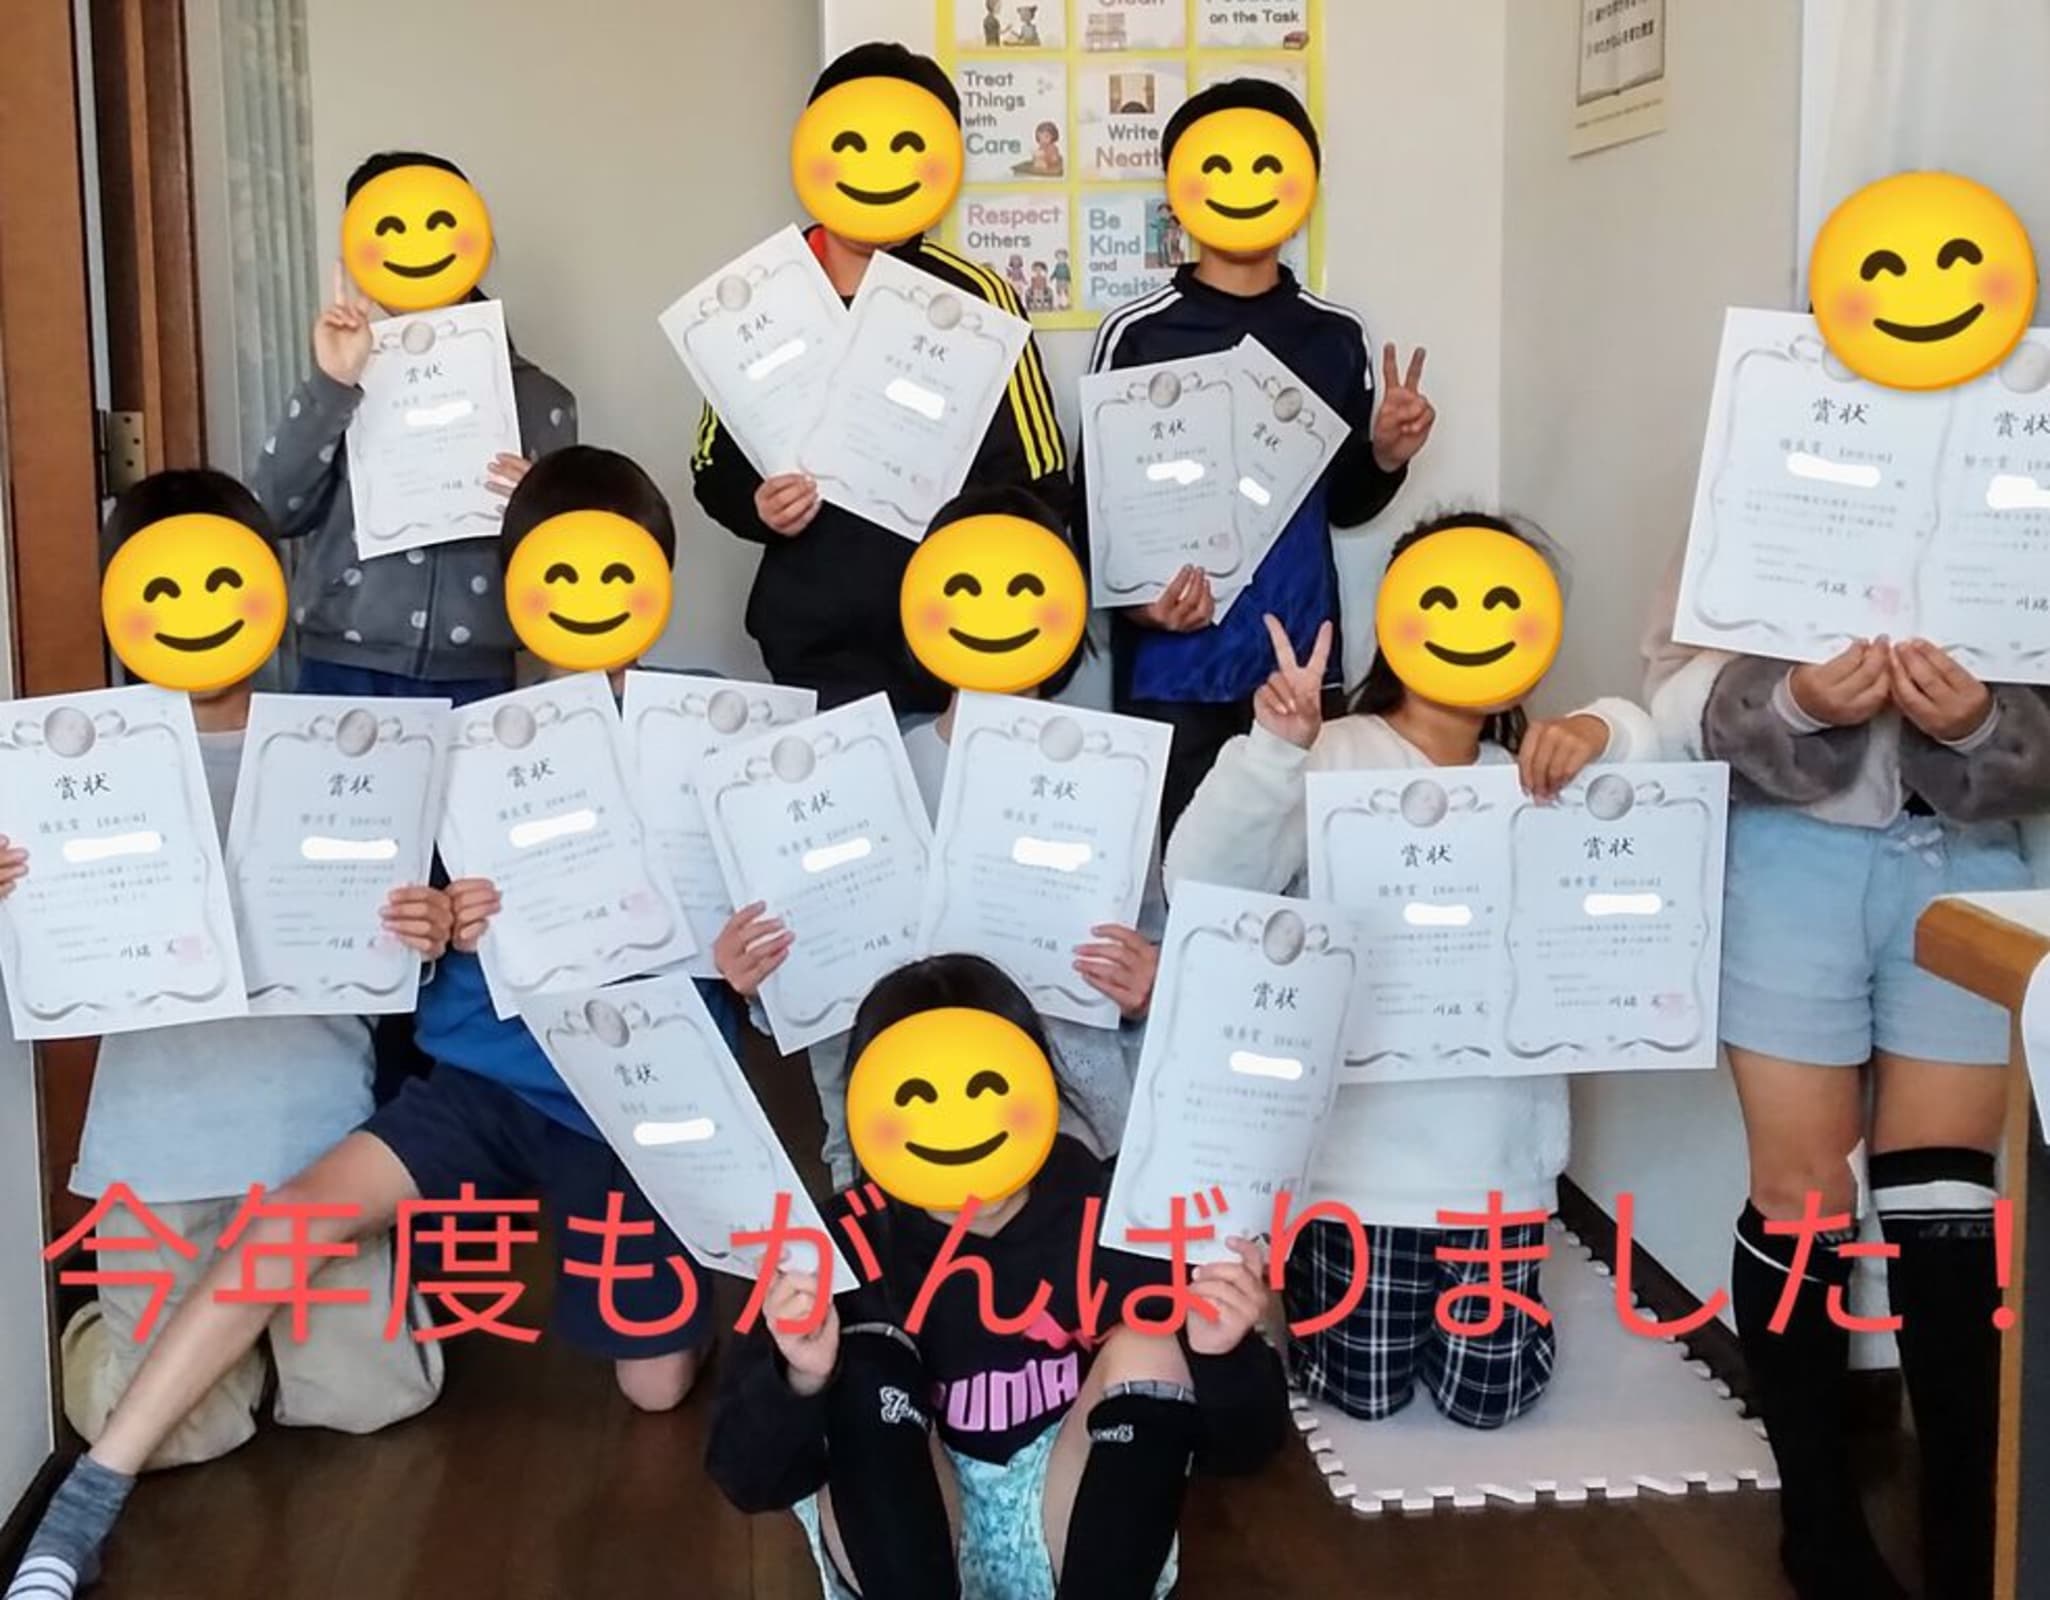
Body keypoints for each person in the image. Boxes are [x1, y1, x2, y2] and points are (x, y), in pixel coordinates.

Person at [6, 449, 717, 1600]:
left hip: (630, 1100)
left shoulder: (706, 734)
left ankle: (661, 1273)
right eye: (556, 571)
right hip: (482, 1079)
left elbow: (747, 932)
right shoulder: (447, 739)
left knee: (649, 1386)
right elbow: (390, 913)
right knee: (285, 1230)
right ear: (513, 585)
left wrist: (737, 969)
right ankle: (81, 1508)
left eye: (614, 568)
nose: (586, 595)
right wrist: (444, 920)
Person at [1165, 513, 1660, 1434]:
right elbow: (1200, 882)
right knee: (1358, 1393)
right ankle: (1285, 1289)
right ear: (1395, 621)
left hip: (1494, 1170)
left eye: (1502, 601)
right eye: (1443, 599)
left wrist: (1604, 728)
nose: (1471, 623)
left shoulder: (1538, 774)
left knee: (1490, 1402)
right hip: (1355, 1179)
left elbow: (1664, 770)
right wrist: (1276, 749)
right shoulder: (1332, 752)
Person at [1646, 554, 2041, 1600]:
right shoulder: (1757, 470)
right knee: (1801, 1194)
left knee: (1947, 1195)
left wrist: (1983, 728)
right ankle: (1816, 1521)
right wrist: (1790, 703)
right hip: (1789, 853)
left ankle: (1971, 1532)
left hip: (1972, 853)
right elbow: (1672, 686)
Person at [705, 955, 1289, 1600]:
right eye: (918, 1098)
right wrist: (800, 1376)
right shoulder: (834, 1248)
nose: (958, 1124)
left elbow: (1247, 1448)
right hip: (909, 1536)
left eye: (986, 1090)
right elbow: (748, 1479)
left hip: (1071, 1529)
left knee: (1150, 1343)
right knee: (860, 1359)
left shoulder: (1117, 1220)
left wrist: (1220, 1354)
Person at [717, 486, 1161, 1186]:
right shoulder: (862, 773)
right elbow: (819, 1002)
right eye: (964, 587)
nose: (994, 610)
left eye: (1025, 586)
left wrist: (1147, 988)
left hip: (1081, 1160)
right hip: (904, 1160)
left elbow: (1152, 968)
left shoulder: (1118, 776)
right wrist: (758, 985)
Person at [1083, 80, 1435, 837]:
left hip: (1297, 654)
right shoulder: (1137, 333)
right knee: (1185, 864)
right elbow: (1096, 512)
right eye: (1216, 165)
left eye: (1268, 164)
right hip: (1174, 661)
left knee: (1298, 861)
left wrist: (1385, 454)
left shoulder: (1335, 335)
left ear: (1303, 186)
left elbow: (1344, 505)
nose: (1242, 184)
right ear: (1178, 191)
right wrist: (1141, 604)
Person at [693, 44, 1071, 716]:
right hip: (811, 654)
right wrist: (758, 505)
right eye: (854, 143)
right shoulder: (760, 293)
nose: (878, 167)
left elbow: (1039, 480)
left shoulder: (978, 300)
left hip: (959, 649)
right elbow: (710, 466)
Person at [254, 150, 578, 705]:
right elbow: (273, 509)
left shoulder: (542, 400)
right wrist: (332, 385)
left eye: (438, 222)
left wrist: (538, 506)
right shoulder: (339, 381)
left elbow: (567, 564)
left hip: (478, 674)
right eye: (388, 228)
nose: (415, 244)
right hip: (341, 665)